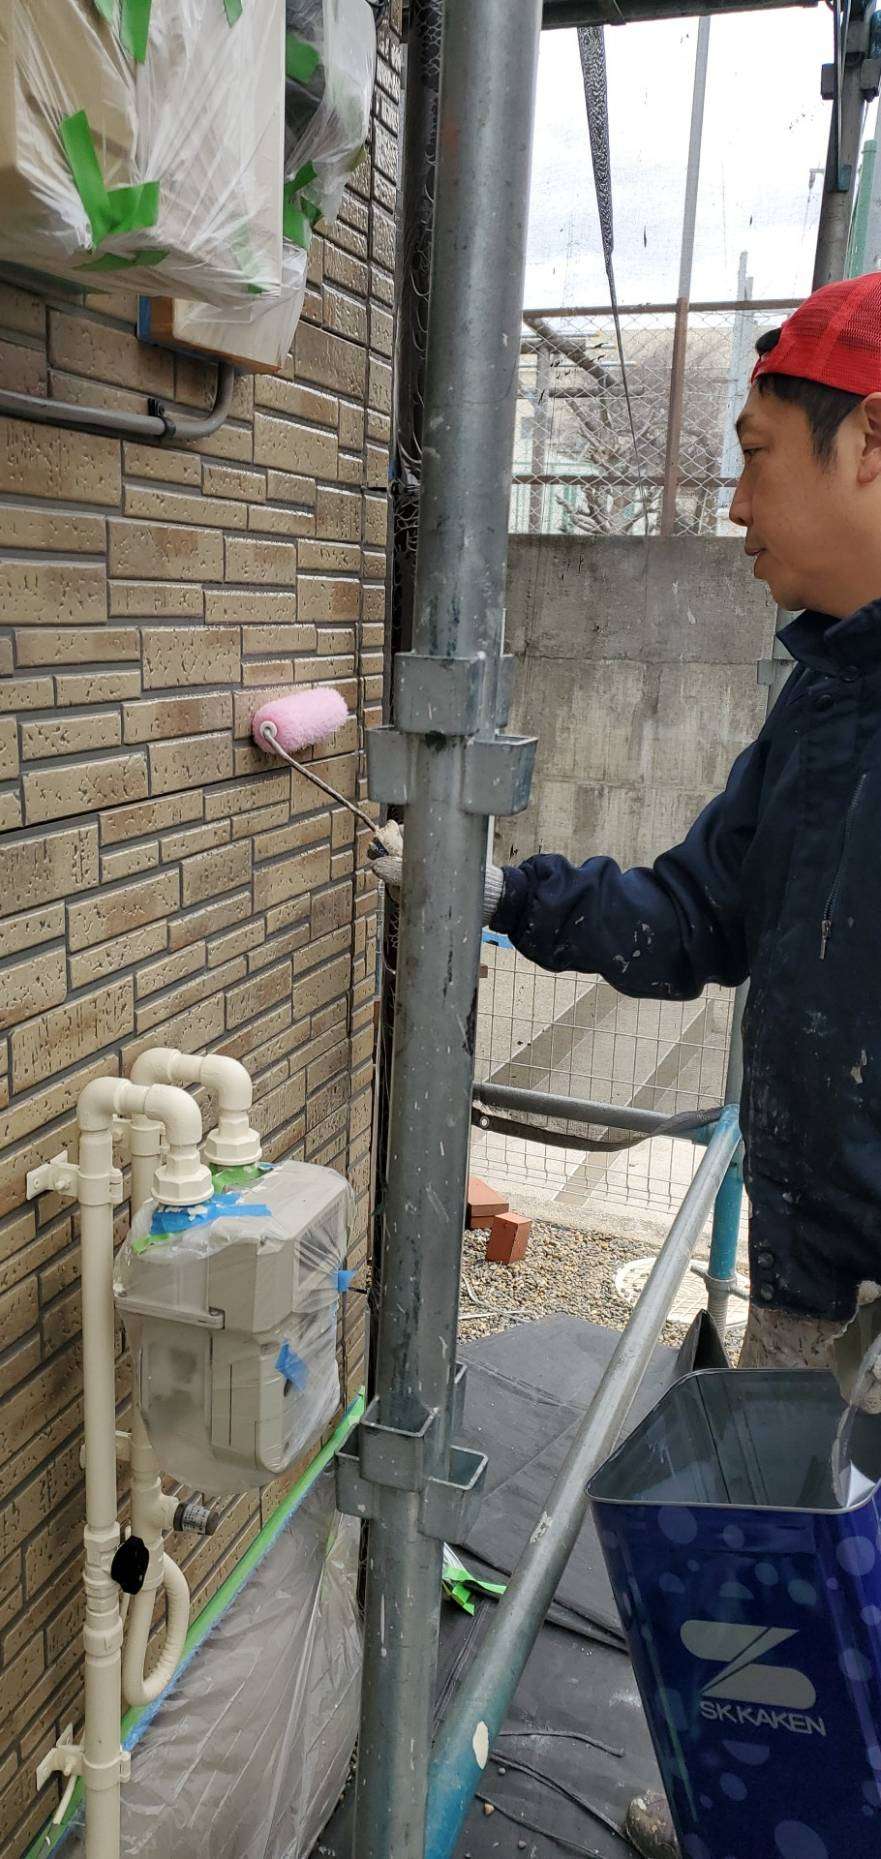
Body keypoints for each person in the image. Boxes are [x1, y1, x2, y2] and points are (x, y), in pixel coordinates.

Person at [370, 272, 881, 1858]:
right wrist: (488, 887)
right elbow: (691, 918)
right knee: (794, 1597)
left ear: (869, 446)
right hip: (817, 1273)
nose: (729, 503)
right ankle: (772, 1815)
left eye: (754, 456)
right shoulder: (825, 704)